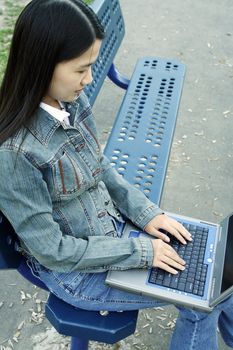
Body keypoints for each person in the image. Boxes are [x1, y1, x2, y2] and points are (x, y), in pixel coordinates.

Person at [0, 1, 232, 349]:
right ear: (42, 64)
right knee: (202, 302)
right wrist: (142, 252)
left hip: (113, 233)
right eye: (81, 69)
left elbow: (100, 167)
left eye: (91, 67)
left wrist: (146, 213)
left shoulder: (70, 101)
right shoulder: (16, 154)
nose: (90, 79)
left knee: (217, 276)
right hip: (77, 275)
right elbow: (53, 250)